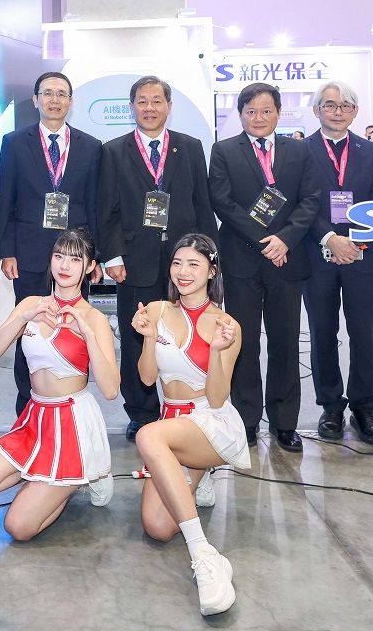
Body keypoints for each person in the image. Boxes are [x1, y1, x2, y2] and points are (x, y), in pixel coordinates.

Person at [0, 228, 118, 540]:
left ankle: (76, 477)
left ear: (90, 266)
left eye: (75, 259)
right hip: (36, 419)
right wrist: (25, 317)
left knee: (18, 527)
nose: (64, 265)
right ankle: (49, 476)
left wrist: (88, 335)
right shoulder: (32, 304)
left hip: (72, 424)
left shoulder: (94, 319)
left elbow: (111, 390)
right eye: (59, 256)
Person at [130, 233, 247, 616]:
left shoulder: (226, 324)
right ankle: (198, 481)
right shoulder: (158, 310)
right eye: (177, 263)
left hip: (208, 422)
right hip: (170, 422)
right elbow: (147, 378)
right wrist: (149, 338)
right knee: (157, 527)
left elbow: (217, 397)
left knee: (148, 436)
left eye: (194, 264)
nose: (183, 271)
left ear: (212, 271)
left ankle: (204, 555)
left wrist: (216, 351)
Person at [208, 82, 324, 452]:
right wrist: (265, 241)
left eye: (266, 111)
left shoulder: (299, 149)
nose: (258, 118)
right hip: (242, 259)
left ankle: (285, 422)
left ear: (278, 113)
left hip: (288, 259)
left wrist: (285, 239)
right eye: (251, 111)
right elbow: (222, 202)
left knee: (285, 343)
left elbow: (311, 199)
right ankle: (245, 419)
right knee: (242, 343)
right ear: (241, 114)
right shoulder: (224, 150)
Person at [97, 76, 216, 438]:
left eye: (156, 101)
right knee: (138, 336)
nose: (149, 108)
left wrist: (209, 256)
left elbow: (202, 204)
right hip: (135, 260)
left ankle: (188, 404)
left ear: (169, 106)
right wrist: (112, 256)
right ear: (131, 107)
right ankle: (141, 412)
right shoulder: (113, 150)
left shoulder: (190, 147)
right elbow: (107, 210)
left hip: (185, 260)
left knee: (188, 333)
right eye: (142, 102)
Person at [0, 72, 101, 415]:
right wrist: (7, 251)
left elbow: (94, 204)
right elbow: (5, 200)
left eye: (61, 94)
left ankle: (72, 402)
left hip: (75, 256)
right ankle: (26, 407)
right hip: (28, 253)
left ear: (70, 101)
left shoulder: (90, 146)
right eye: (47, 93)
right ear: (35, 100)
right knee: (28, 329)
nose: (54, 100)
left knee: (74, 329)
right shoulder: (14, 142)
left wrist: (94, 256)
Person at [301, 82, 373, 445]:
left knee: (364, 334)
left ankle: (365, 408)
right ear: (316, 110)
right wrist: (330, 238)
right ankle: (331, 407)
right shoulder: (300, 150)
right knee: (322, 333)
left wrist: (356, 242)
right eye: (330, 105)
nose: (337, 112)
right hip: (317, 254)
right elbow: (299, 203)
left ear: (355, 111)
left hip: (363, 255)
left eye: (345, 106)